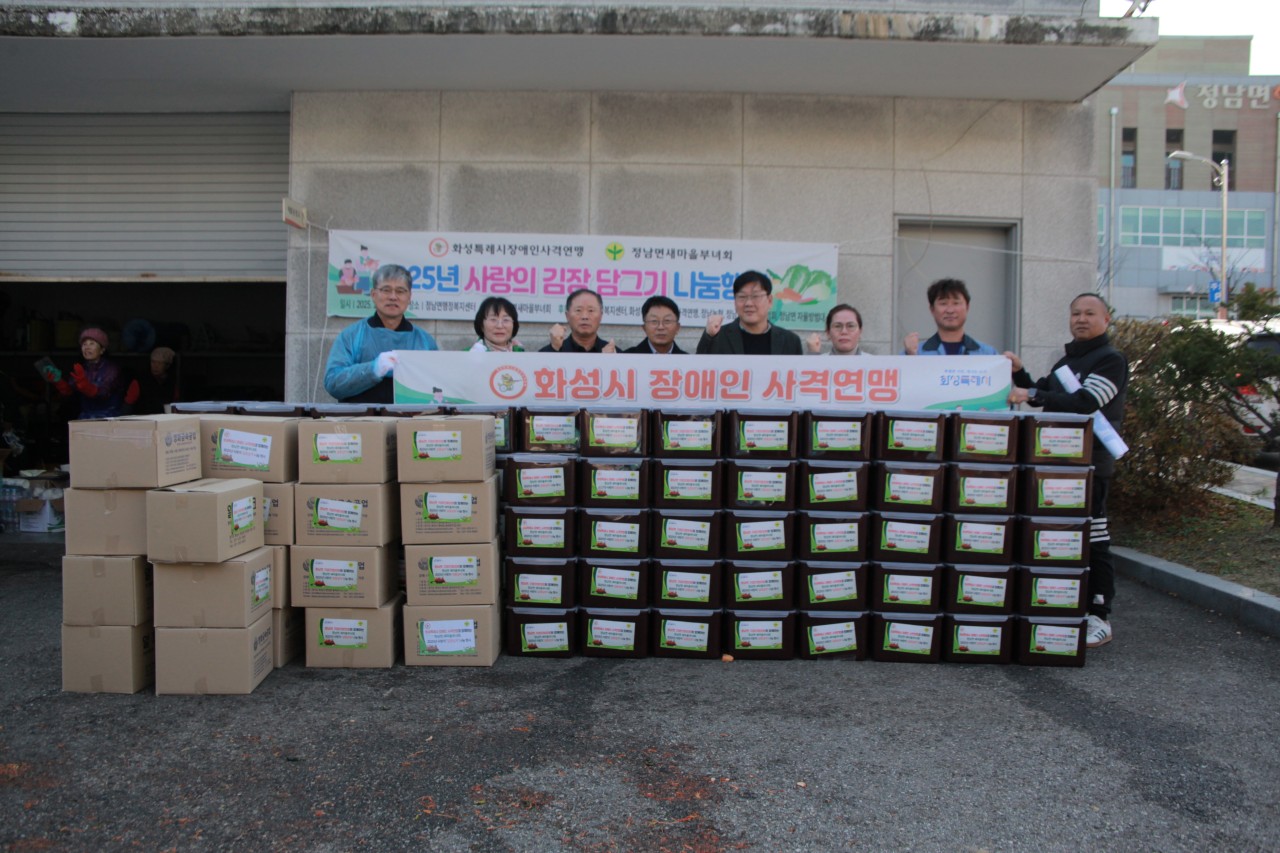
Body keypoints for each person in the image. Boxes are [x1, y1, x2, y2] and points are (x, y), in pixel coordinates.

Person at [1007, 293, 1129, 649]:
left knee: (1094, 538)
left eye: (1090, 313)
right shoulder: (1068, 361)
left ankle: (1099, 615)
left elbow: (1084, 402)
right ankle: (1065, 607)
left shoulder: (1111, 360)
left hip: (1090, 465)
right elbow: (1042, 392)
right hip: (1058, 465)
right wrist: (1019, 372)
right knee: (1062, 537)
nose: (1081, 319)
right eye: (1076, 313)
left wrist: (1030, 391)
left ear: (1106, 319)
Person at [324, 264, 438, 403]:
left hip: (410, 417)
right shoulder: (352, 336)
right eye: (386, 290)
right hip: (360, 416)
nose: (393, 297)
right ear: (373, 295)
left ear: (409, 297)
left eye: (400, 291)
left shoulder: (424, 341)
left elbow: (437, 385)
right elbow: (333, 382)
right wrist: (373, 368)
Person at [696, 270, 803, 355]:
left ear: (770, 301)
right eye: (742, 297)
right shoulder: (718, 337)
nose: (748, 303)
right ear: (735, 302)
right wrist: (709, 336)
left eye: (755, 296)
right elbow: (699, 369)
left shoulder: (790, 341)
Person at [43, 327, 127, 419]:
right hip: (85, 418)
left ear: (102, 350)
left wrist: (85, 385)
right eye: (84, 344)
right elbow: (70, 392)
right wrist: (58, 381)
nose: (87, 347)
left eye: (92, 343)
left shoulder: (111, 369)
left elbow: (104, 393)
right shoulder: (81, 369)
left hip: (109, 417)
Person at [903, 278, 999, 356]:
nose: (950, 310)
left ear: (967, 307)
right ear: (932, 309)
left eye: (956, 303)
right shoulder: (915, 352)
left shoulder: (987, 354)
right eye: (943, 303)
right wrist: (910, 356)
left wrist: (1009, 368)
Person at [542, 290, 617, 353]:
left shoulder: (615, 354)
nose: (585, 317)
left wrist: (610, 360)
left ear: (601, 316)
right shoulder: (551, 351)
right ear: (567, 316)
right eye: (578, 310)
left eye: (591, 310)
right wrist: (554, 349)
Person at [131, 346, 179, 415]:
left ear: (167, 366)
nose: (155, 366)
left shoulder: (171, 383)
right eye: (153, 362)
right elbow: (128, 404)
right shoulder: (139, 381)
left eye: (160, 363)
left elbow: (175, 403)